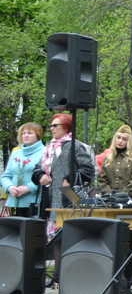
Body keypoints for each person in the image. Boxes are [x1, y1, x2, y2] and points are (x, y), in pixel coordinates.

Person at [32, 113, 95, 281]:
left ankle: (63, 277)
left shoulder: (74, 146)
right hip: (51, 198)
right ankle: (57, 277)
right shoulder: (50, 147)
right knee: (57, 240)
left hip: (69, 199)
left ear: (66, 127)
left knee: (66, 238)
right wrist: (40, 176)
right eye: (51, 126)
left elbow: (88, 169)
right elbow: (37, 168)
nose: (51, 129)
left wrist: (70, 178)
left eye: (55, 125)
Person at [1, 123, 46, 217]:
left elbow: (47, 177)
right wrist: (10, 187)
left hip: (34, 202)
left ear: (38, 135)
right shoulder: (16, 153)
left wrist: (29, 188)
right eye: (23, 133)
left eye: (29, 133)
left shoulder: (45, 152)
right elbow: (6, 176)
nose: (25, 135)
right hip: (15, 201)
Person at [98, 124, 132, 197]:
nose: (120, 141)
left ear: (129, 141)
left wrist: (121, 195)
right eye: (118, 137)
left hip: (129, 198)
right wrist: (110, 194)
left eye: (124, 139)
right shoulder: (107, 159)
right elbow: (103, 181)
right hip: (109, 198)